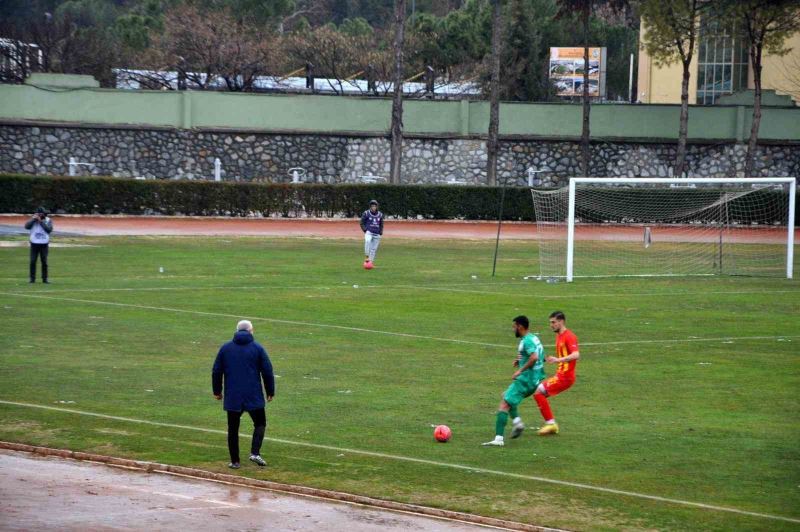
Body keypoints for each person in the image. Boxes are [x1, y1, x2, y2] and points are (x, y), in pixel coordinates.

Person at [212, 320, 275, 469]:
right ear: (251, 331)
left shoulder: (225, 348)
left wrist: (217, 391)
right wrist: (270, 391)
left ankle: (235, 461)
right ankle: (255, 452)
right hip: (253, 394)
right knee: (260, 423)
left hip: (233, 396)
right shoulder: (258, 348)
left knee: (233, 429)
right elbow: (267, 371)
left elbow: (216, 371)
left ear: (237, 330)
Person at [483, 315, 545, 446]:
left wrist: (520, 370)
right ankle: (517, 423)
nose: (513, 329)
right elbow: (539, 356)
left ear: (520, 327)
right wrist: (520, 360)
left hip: (526, 380)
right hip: (534, 380)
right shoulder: (534, 338)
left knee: (504, 405)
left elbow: (534, 357)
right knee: (506, 395)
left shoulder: (527, 341)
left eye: (514, 326)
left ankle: (498, 439)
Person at [532, 311, 580, 435]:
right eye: (550, 323)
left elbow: (576, 354)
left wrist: (558, 360)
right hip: (560, 375)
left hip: (565, 377)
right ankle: (551, 424)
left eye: (553, 322)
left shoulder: (569, 336)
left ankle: (551, 424)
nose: (551, 325)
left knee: (538, 392)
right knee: (538, 393)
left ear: (561, 321)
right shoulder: (559, 336)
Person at [24, 207, 53, 284]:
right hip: (34, 243)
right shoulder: (33, 219)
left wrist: (41, 222)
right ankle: (32, 279)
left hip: (44, 244)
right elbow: (26, 226)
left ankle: (45, 279)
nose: (41, 215)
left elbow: (49, 230)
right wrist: (33, 220)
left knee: (44, 261)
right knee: (33, 261)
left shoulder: (48, 220)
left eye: (42, 214)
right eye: (39, 214)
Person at [359, 199, 384, 269]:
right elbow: (361, 222)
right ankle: (367, 257)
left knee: (373, 249)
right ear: (370, 207)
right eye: (372, 206)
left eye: (375, 206)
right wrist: (365, 230)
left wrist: (381, 231)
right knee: (367, 241)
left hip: (377, 234)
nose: (373, 207)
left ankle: (370, 263)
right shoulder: (366, 213)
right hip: (369, 232)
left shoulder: (380, 214)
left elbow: (381, 224)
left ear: (377, 207)